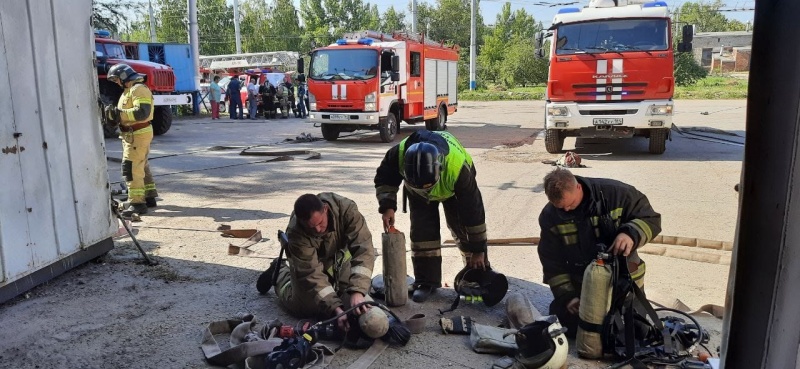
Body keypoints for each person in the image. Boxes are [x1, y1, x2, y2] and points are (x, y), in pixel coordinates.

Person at [537, 168, 661, 337]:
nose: (566, 210)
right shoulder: (550, 216)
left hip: (623, 281)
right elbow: (551, 262)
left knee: (637, 332)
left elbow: (651, 219)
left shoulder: (617, 194)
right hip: (584, 287)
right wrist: (568, 296)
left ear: (578, 187)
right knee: (570, 328)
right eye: (561, 207)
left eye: (570, 204)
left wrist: (630, 233)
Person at [374, 130, 489, 303]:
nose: (428, 192)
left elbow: (473, 213)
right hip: (416, 193)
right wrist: (388, 207)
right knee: (423, 233)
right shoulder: (398, 154)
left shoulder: (457, 170)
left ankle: (476, 274)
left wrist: (478, 249)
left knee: (462, 227)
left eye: (428, 186)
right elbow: (385, 179)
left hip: (453, 190)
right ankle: (426, 281)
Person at [259, 193, 388, 335]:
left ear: (325, 209)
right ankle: (280, 272)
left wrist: (357, 290)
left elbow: (364, 249)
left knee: (358, 304)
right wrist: (336, 309)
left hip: (338, 261)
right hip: (308, 266)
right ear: (302, 223)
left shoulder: (347, 210)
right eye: (312, 228)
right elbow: (311, 273)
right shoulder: (296, 231)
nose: (318, 230)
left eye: (320, 223)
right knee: (305, 308)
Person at [103, 63, 159, 217]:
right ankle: (148, 196)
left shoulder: (138, 89)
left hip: (138, 133)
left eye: (116, 79)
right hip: (134, 133)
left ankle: (137, 203)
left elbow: (142, 112)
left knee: (131, 167)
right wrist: (114, 116)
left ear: (123, 76)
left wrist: (118, 115)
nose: (116, 83)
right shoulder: (129, 91)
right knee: (142, 165)